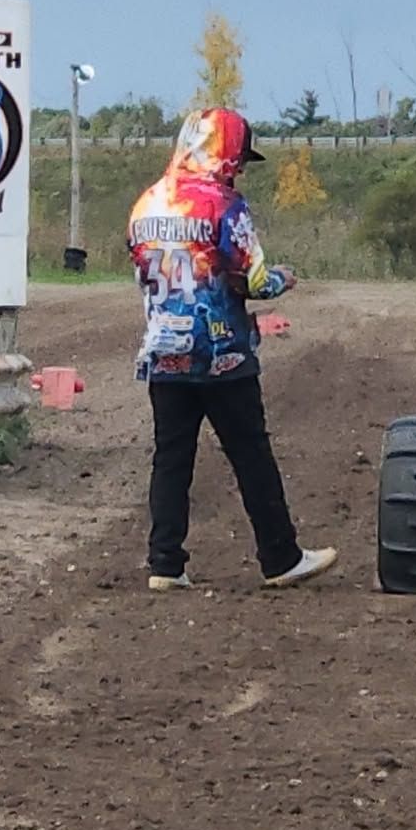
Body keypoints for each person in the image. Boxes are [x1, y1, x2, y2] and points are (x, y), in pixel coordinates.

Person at [128, 107, 338, 592]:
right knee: (250, 454)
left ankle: (165, 564)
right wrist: (285, 276)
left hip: (163, 348)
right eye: (238, 157)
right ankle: (281, 556)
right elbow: (259, 281)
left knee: (171, 458)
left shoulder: (145, 203)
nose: (240, 167)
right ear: (223, 154)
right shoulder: (224, 205)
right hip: (221, 350)